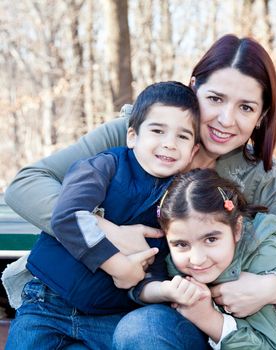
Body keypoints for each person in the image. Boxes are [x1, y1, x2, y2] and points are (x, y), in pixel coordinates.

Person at [2, 34, 276, 349]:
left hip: (196, 319)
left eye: (245, 107)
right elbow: (27, 184)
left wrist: (270, 287)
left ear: (261, 116)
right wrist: (109, 233)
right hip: (93, 297)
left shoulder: (258, 176)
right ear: (194, 87)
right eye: (215, 98)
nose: (226, 119)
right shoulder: (140, 132)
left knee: (141, 330)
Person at [4, 81, 201, 349]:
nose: (169, 144)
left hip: (110, 315)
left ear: (194, 151)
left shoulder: (179, 198)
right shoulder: (104, 166)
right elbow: (68, 215)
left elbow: (152, 267)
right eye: (157, 130)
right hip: (48, 302)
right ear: (132, 136)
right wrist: (117, 264)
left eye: (183, 136)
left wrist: (163, 290)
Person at [127, 168, 276, 349]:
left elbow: (268, 345)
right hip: (227, 337)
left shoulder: (265, 255)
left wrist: (207, 318)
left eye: (210, 239)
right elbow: (139, 283)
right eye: (182, 244)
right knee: (138, 328)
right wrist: (165, 290)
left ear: (237, 229)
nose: (197, 259)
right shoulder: (178, 255)